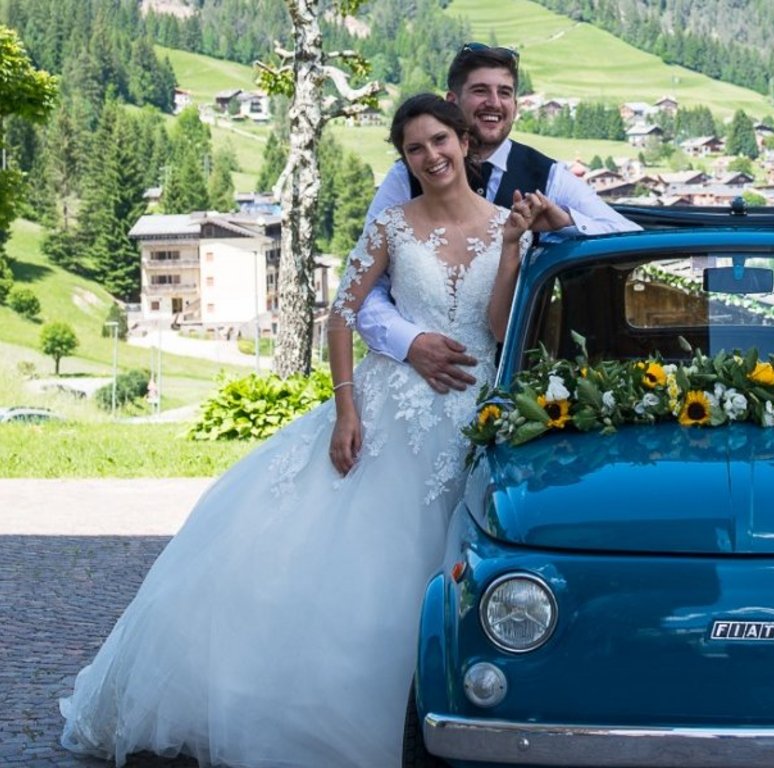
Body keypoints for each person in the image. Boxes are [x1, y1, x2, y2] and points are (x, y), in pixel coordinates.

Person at [59, 93, 557, 768]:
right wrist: (347, 410)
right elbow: (341, 316)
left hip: (473, 413)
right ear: (405, 159)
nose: (431, 156)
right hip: (389, 414)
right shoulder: (391, 226)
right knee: (360, 566)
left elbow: (500, 331)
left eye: (440, 140)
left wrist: (508, 255)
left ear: (466, 142)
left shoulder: (508, 224)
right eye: (415, 148)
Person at [358, 42, 641, 396]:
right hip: (420, 383)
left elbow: (629, 235)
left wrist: (564, 221)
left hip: (524, 386)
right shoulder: (406, 177)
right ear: (451, 101)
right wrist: (409, 342)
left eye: (504, 92)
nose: (494, 102)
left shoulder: (549, 175)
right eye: (480, 91)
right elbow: (362, 290)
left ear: (515, 106)